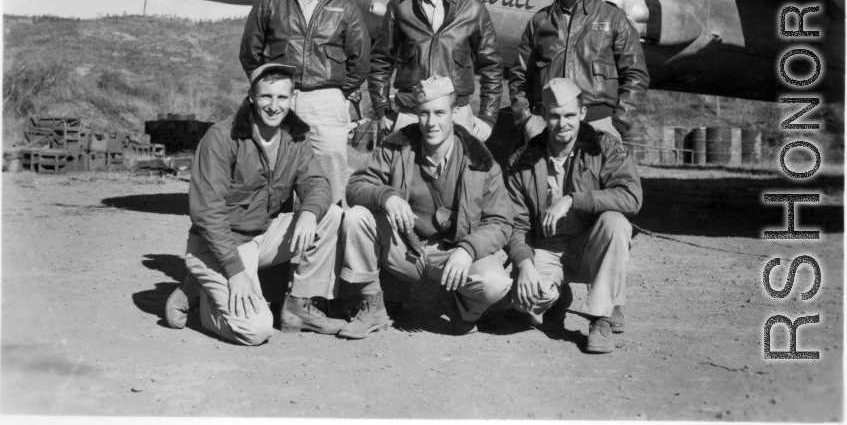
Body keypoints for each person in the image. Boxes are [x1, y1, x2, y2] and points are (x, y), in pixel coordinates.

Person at [164, 63, 346, 345]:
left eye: (282, 98)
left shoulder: (295, 137)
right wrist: (235, 271)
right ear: (251, 96)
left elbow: (318, 183)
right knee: (257, 330)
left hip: (264, 237)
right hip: (221, 246)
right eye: (266, 97)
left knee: (330, 214)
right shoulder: (221, 137)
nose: (274, 106)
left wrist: (309, 213)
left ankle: (299, 304)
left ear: (292, 98)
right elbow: (207, 213)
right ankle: (202, 297)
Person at [337, 75, 513, 339]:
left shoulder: (481, 161)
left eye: (440, 113)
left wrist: (468, 249)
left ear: (454, 112)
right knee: (356, 218)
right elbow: (356, 186)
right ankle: (371, 302)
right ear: (416, 114)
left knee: (495, 282)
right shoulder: (396, 147)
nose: (432, 123)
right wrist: (387, 196)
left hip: (454, 253)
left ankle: (459, 305)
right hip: (406, 248)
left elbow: (500, 222)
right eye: (424, 113)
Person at [239, 0, 370, 205]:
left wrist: (335, 94)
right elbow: (250, 55)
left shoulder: (345, 6)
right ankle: (276, 248)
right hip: (279, 105)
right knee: (274, 187)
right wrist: (273, 92)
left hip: (327, 104)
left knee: (330, 187)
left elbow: (359, 62)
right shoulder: (268, 3)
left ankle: (328, 248)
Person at [505, 77, 642, 353]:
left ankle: (600, 318)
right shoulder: (522, 160)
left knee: (616, 223)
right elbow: (515, 222)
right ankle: (557, 297)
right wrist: (525, 264)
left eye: (569, 115)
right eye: (554, 116)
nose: (562, 123)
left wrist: (573, 199)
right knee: (524, 301)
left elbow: (631, 197)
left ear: (582, 113)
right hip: (547, 249)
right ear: (543, 115)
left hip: (590, 249)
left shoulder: (604, 147)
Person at [509, 0, 649, 143]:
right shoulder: (539, 21)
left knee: (596, 178)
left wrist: (618, 123)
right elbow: (519, 76)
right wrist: (527, 120)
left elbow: (636, 75)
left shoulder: (615, 19)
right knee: (543, 177)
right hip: (547, 125)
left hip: (598, 125)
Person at [368, 0, 503, 142]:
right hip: (410, 114)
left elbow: (492, 68)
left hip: (457, 116)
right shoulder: (401, 5)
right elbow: (381, 60)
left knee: (455, 175)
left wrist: (487, 117)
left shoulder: (474, 9)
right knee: (402, 175)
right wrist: (382, 108)